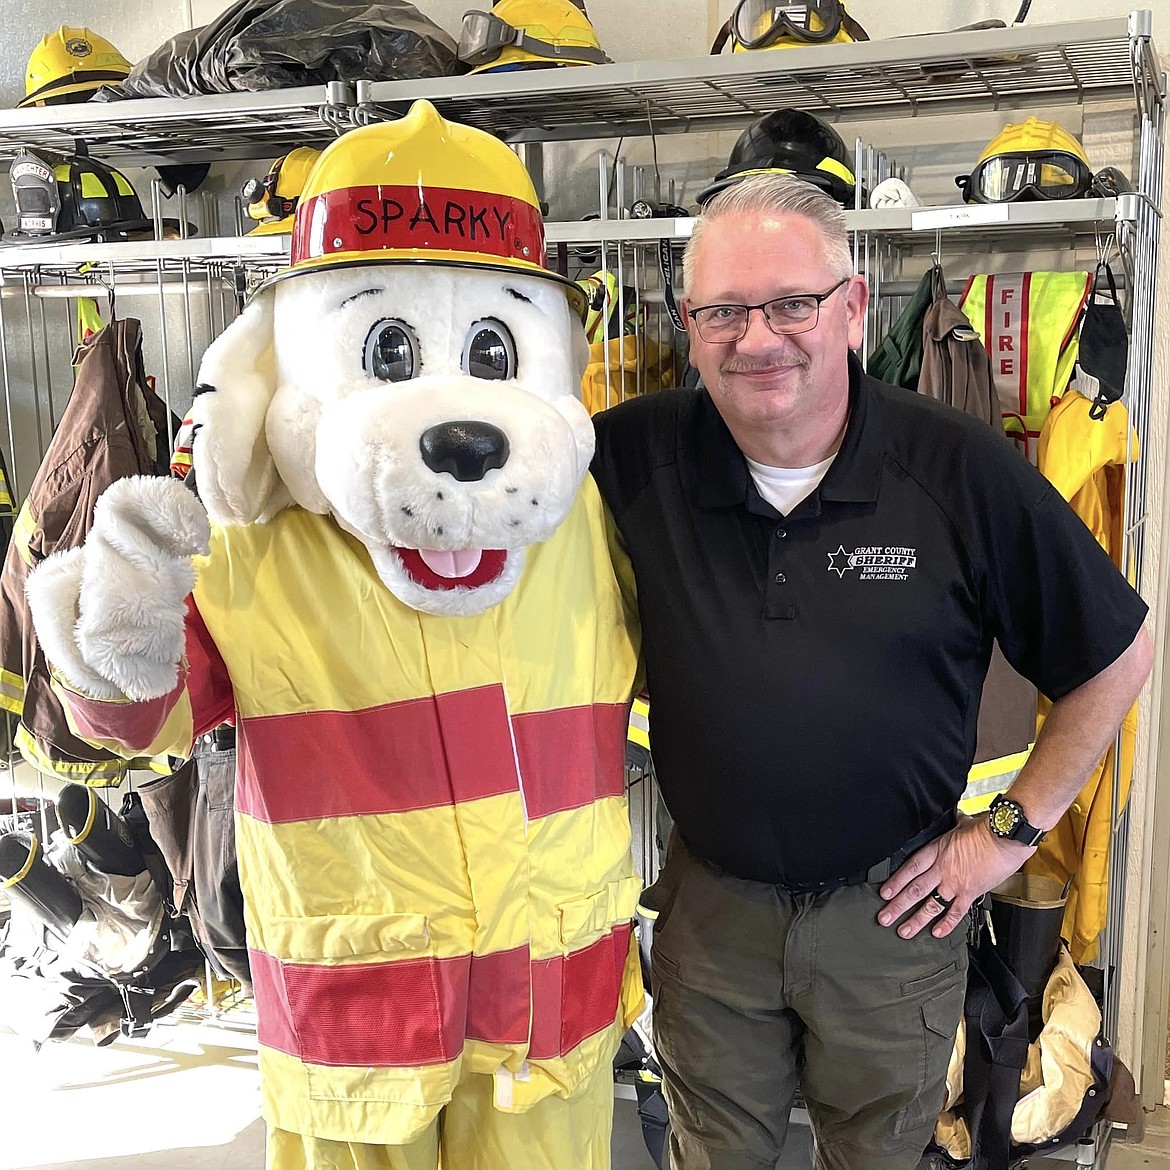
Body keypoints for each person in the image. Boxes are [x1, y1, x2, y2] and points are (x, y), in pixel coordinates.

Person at [590, 172, 1152, 1170]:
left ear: (852, 309)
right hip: (710, 911)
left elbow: (1118, 653)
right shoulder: (631, 457)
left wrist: (1008, 835)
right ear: (689, 322)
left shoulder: (956, 468)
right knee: (711, 1153)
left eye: (793, 304)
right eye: (724, 310)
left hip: (892, 913)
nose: (757, 338)